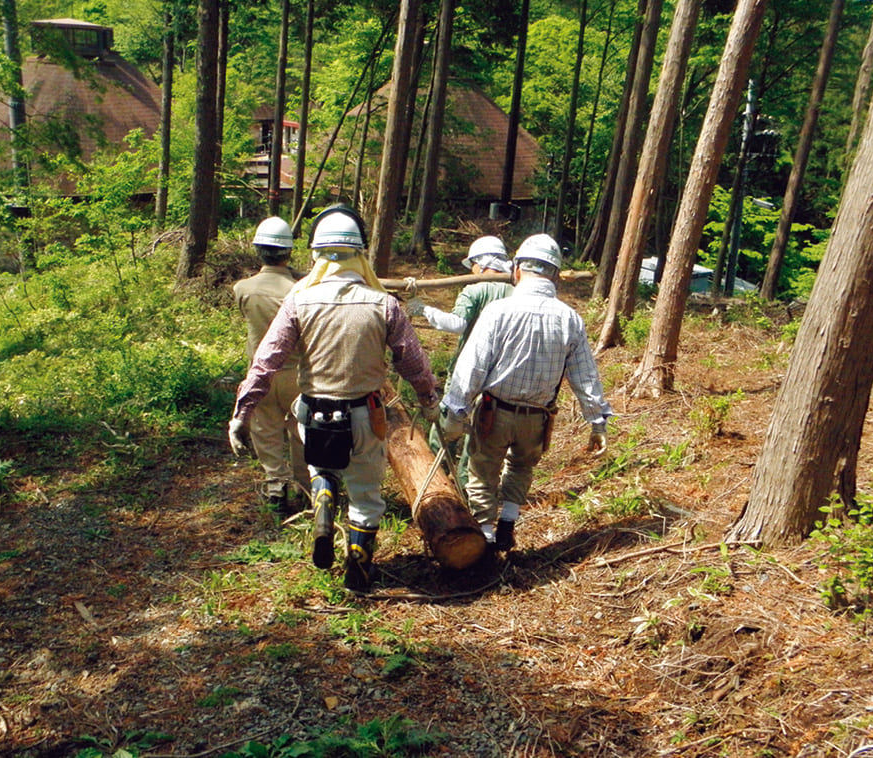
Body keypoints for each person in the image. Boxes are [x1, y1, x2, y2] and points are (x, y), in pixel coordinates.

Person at [228, 205, 440, 592]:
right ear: (360, 254)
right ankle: (357, 574)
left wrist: (242, 412)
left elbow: (266, 361)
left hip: (313, 413)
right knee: (365, 497)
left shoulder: (298, 301)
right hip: (364, 415)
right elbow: (412, 360)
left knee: (319, 463)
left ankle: (323, 488)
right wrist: (429, 400)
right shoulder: (384, 305)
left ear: (315, 255)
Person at [440, 233, 611, 553]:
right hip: (537, 418)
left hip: (494, 413)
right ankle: (508, 522)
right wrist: (597, 422)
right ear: (556, 275)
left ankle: (488, 539)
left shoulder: (498, 311)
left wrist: (455, 411)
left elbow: (472, 368)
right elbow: (584, 376)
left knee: (482, 473)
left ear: (517, 270)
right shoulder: (569, 318)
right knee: (520, 467)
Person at [405, 235, 513, 482]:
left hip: (468, 371)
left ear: (480, 263)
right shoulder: (515, 291)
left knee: (442, 432)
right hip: (501, 376)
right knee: (477, 439)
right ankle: (467, 491)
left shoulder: (474, 290)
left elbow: (457, 324)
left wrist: (424, 310)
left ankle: (436, 484)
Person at [231, 216, 309, 514]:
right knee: (301, 432)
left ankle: (276, 488)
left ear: (258, 250)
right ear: (289, 252)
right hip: (298, 374)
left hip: (260, 374)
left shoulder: (243, 288)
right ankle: (305, 490)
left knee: (265, 431)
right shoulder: (301, 288)